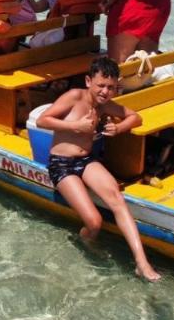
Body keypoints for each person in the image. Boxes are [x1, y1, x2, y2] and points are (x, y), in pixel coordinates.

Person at [37, 56, 162, 282]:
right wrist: (74, 126)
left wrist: (119, 127)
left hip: (86, 161)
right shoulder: (74, 97)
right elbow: (43, 121)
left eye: (111, 88)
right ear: (88, 81)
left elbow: (136, 117)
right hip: (61, 165)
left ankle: (141, 263)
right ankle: (84, 242)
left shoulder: (104, 105)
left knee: (117, 199)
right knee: (94, 222)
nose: (105, 92)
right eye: (101, 86)